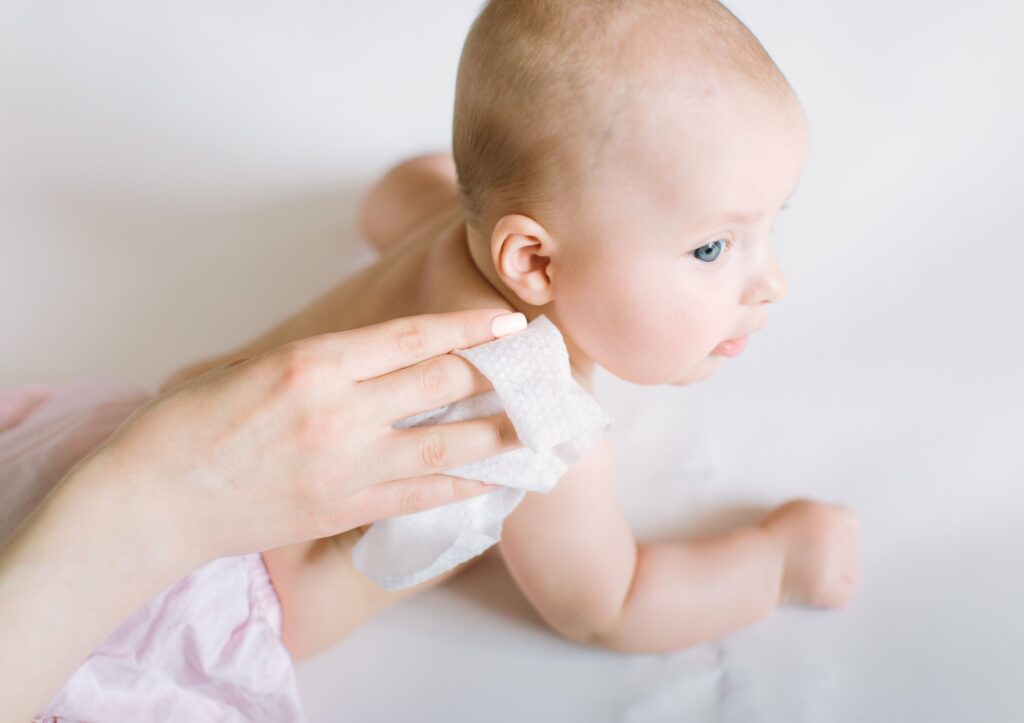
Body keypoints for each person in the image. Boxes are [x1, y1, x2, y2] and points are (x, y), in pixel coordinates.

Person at [159, 0, 862, 669]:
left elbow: (396, 188)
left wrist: (511, 166)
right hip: (207, 601)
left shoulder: (451, 227)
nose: (772, 281)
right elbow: (610, 604)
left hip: (157, 432)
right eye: (712, 248)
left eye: (769, 226)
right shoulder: (534, 412)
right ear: (532, 261)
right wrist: (777, 561)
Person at [0, 308, 528, 722]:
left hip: (138, 497)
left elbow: (598, 610)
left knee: (352, 555)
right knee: (347, 559)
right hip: (110, 462)